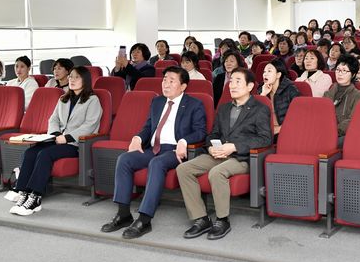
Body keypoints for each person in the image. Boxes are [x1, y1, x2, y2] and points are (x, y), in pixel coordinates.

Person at [101, 66, 207, 239]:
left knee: (156, 164)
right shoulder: (157, 102)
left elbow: (201, 131)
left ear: (183, 86)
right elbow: (149, 127)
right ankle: (123, 213)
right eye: (164, 79)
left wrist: (184, 141)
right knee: (124, 159)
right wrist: (138, 137)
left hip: (174, 150)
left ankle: (144, 219)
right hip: (153, 148)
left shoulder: (194, 104)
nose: (166, 83)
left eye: (172, 81)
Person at [177, 68, 272, 240]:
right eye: (231, 81)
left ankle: (222, 220)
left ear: (250, 86)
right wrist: (211, 147)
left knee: (216, 173)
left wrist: (235, 146)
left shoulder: (260, 109)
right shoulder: (224, 108)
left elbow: (265, 139)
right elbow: (213, 134)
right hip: (218, 154)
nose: (232, 85)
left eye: (238, 81)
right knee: (183, 169)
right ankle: (201, 218)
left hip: (241, 157)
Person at [9, 66, 102, 216]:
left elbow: (89, 125)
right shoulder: (63, 98)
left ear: (85, 80)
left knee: (45, 154)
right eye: (70, 76)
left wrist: (67, 137)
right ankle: (23, 191)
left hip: (76, 144)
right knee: (31, 152)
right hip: (57, 139)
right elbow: (53, 119)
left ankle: (36, 197)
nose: (72, 80)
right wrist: (56, 134)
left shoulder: (92, 100)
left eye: (76, 77)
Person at [323, 56, 360, 146]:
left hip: (342, 134)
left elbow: (353, 120)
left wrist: (333, 131)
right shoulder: (328, 93)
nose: (340, 74)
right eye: (338, 70)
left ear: (353, 75)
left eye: (344, 71)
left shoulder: (359, 95)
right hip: (324, 131)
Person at [259, 59, 300, 136]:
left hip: (285, 132)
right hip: (265, 132)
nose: (265, 74)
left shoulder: (291, 90)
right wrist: (263, 95)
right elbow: (252, 114)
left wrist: (279, 129)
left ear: (278, 75)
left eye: (269, 71)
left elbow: (298, 117)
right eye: (264, 72)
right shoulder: (262, 89)